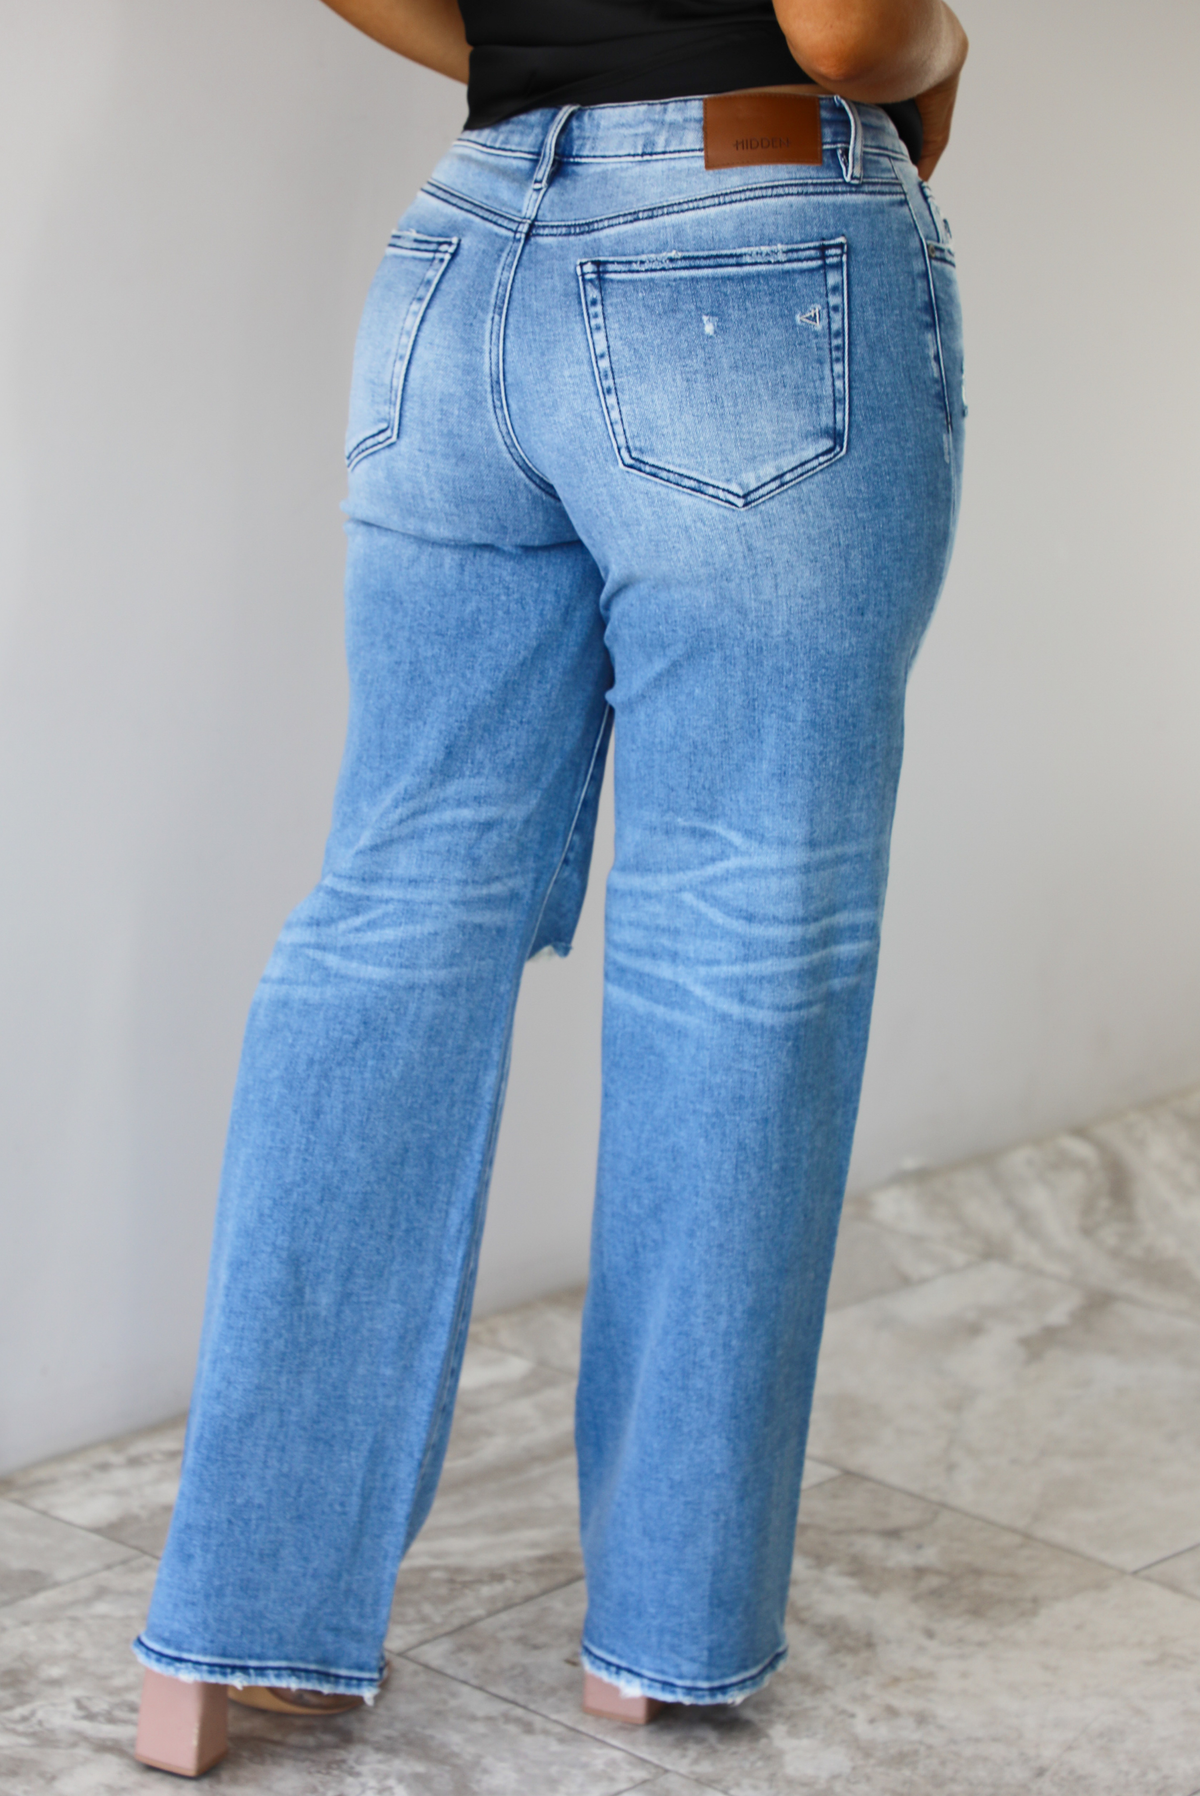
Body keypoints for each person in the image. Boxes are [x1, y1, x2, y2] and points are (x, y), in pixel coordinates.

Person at [130, 0, 968, 1775]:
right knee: (745, 935)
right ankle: (663, 1636)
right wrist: (943, 50)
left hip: (460, 264)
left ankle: (227, 1634)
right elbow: (852, 27)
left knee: (389, 916)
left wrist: (554, 66)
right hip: (751, 251)